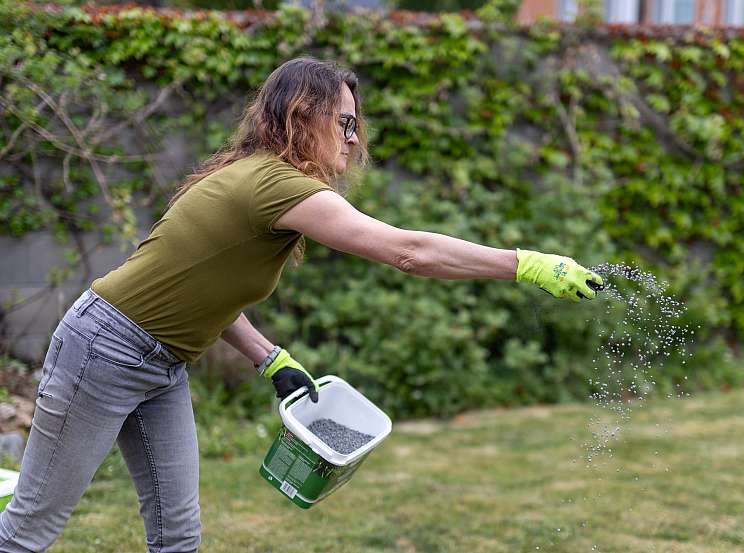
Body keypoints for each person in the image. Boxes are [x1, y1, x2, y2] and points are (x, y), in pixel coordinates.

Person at [0, 57, 603, 553]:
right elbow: (407, 252)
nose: (352, 138)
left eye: (355, 124)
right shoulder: (276, 185)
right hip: (104, 351)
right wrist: (526, 264)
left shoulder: (256, 177)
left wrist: (270, 359)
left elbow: (198, 289)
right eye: (343, 121)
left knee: (178, 531)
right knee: (31, 527)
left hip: (161, 364)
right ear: (301, 115)